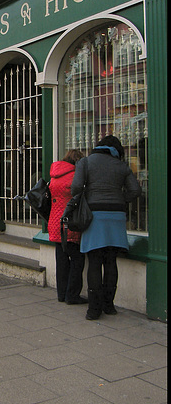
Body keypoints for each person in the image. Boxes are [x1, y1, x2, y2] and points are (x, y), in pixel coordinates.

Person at [71, 135, 142, 320]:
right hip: (117, 217)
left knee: (94, 261)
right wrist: (119, 199)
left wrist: (88, 198)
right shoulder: (121, 166)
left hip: (95, 216)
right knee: (111, 261)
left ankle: (94, 310)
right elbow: (135, 190)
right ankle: (109, 306)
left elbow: (76, 187)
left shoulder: (85, 162)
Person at [47, 149, 86, 304]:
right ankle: (72, 295)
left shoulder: (54, 175)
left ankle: (61, 294)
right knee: (77, 259)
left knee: (61, 260)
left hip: (55, 222)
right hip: (70, 222)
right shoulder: (75, 177)